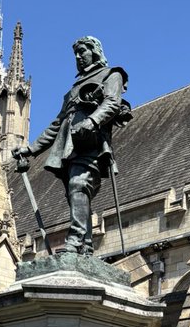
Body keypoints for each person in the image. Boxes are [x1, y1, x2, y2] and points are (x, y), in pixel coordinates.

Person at [13, 36, 129, 255]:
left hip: (92, 144)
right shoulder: (73, 90)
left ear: (94, 52)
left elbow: (112, 103)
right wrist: (30, 149)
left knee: (78, 185)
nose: (78, 57)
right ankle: (85, 246)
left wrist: (92, 120)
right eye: (75, 54)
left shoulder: (112, 74)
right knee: (76, 194)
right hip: (68, 149)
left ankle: (75, 239)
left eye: (82, 51)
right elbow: (57, 124)